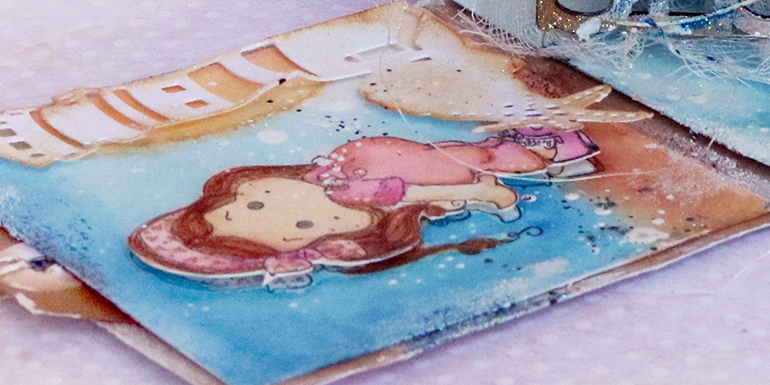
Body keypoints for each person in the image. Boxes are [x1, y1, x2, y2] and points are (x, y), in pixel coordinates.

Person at [127, 129, 597, 289]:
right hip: (441, 172)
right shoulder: (361, 198)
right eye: (302, 225)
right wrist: (486, 195)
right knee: (469, 162)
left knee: (455, 154)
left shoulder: (327, 173)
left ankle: (521, 151)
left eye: (246, 203)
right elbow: (415, 192)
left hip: (389, 154)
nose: (269, 204)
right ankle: (544, 153)